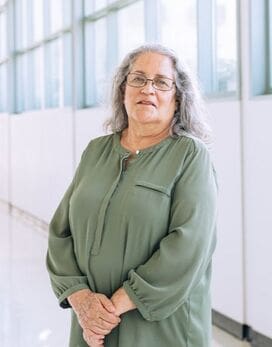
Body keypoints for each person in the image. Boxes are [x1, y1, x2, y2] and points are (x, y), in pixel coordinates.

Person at [46, 44, 218, 347]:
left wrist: (109, 309)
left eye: (161, 82)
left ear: (178, 98)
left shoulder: (190, 156)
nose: (148, 89)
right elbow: (61, 232)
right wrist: (82, 301)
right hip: (93, 327)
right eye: (138, 79)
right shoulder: (96, 151)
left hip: (160, 328)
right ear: (123, 89)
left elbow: (189, 246)